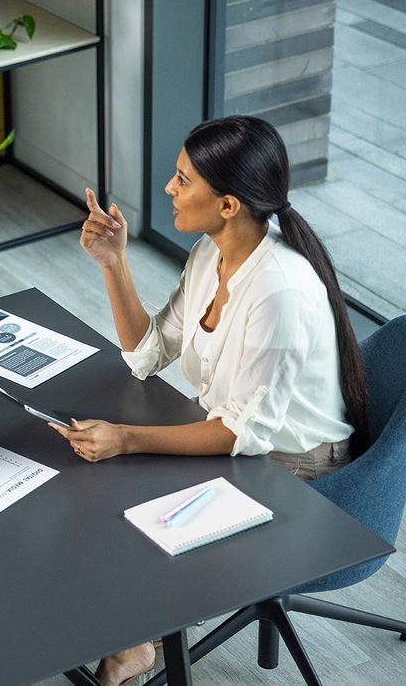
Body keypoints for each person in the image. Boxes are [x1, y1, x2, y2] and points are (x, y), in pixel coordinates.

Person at [66, 115, 366, 684]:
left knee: (136, 509)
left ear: (228, 204)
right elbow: (147, 354)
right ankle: (134, 628)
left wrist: (127, 439)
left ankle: (141, 640)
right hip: (243, 440)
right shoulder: (211, 253)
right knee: (101, 487)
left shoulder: (277, 289)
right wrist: (114, 263)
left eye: (183, 181)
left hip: (296, 468)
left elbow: (241, 436)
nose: (168, 190)